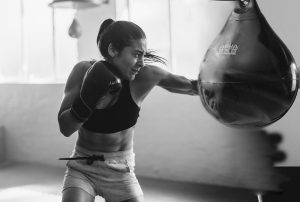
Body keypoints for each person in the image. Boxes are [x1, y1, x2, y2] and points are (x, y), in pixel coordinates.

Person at [57, 18, 198, 202]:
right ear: (113, 50)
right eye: (136, 54)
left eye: (143, 55)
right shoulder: (82, 71)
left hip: (120, 171)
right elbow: (66, 128)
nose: (141, 62)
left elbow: (190, 87)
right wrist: (88, 97)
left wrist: (227, 84)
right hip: (83, 166)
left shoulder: (146, 76)